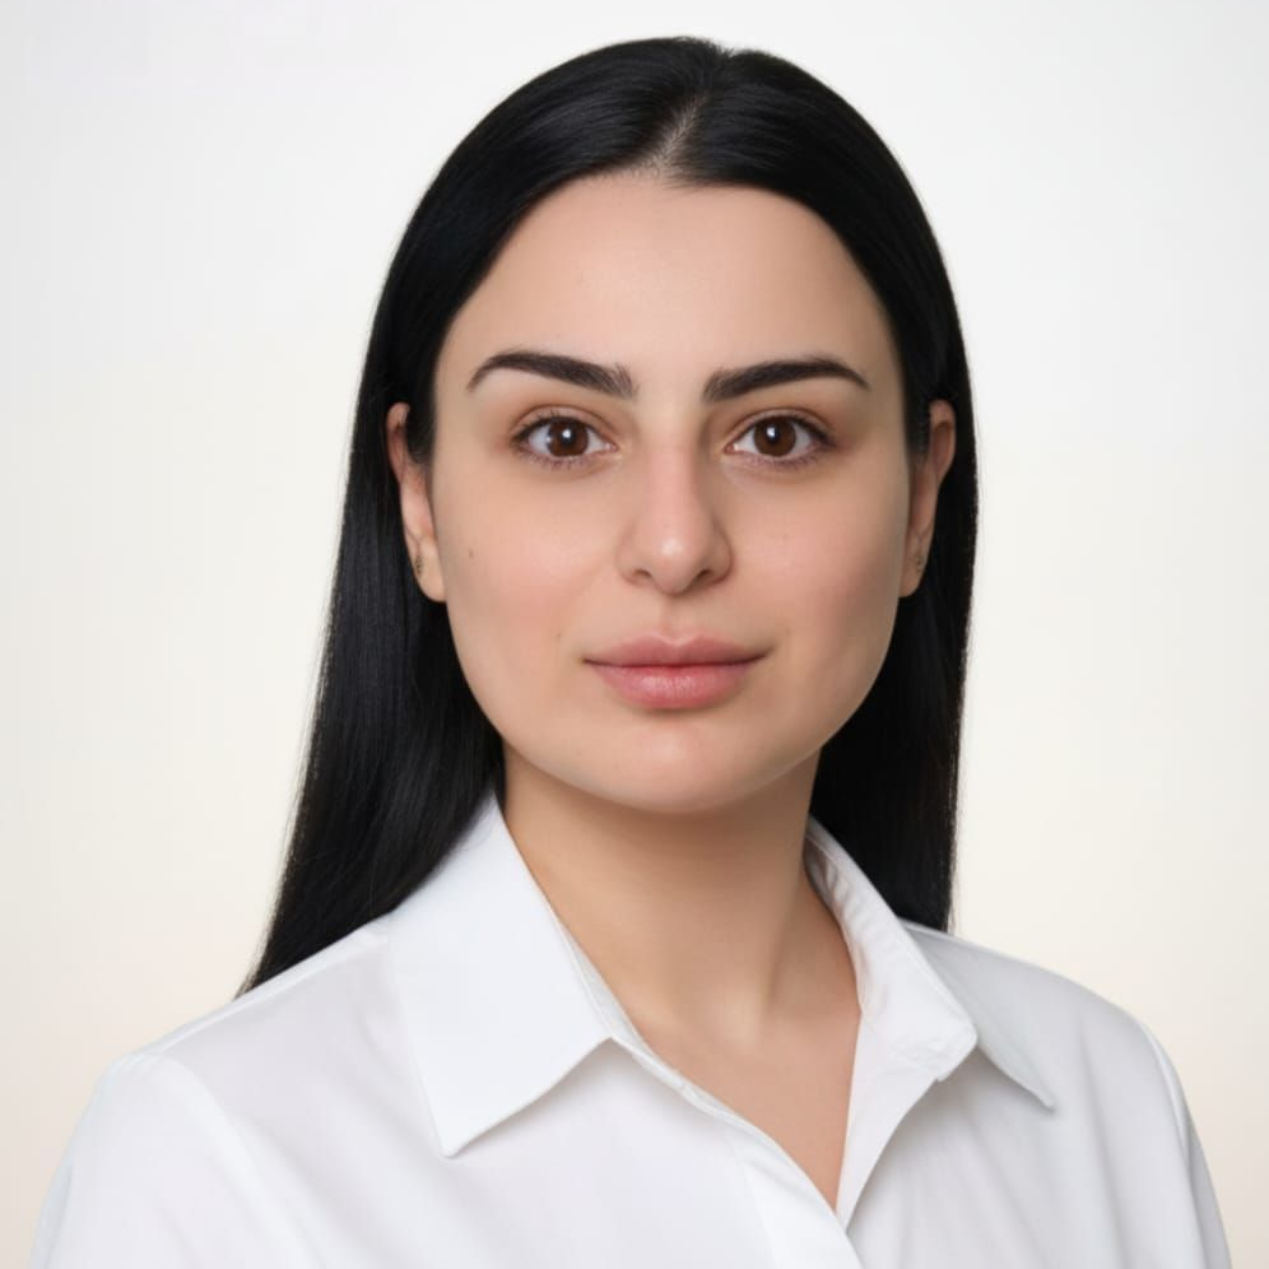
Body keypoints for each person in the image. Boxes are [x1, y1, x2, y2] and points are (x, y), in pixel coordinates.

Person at [29, 34, 1231, 1268]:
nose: (674, 545)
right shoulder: (210, 1162)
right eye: (562, 436)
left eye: (778, 434)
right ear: (419, 502)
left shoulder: (1106, 1106)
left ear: (921, 499)